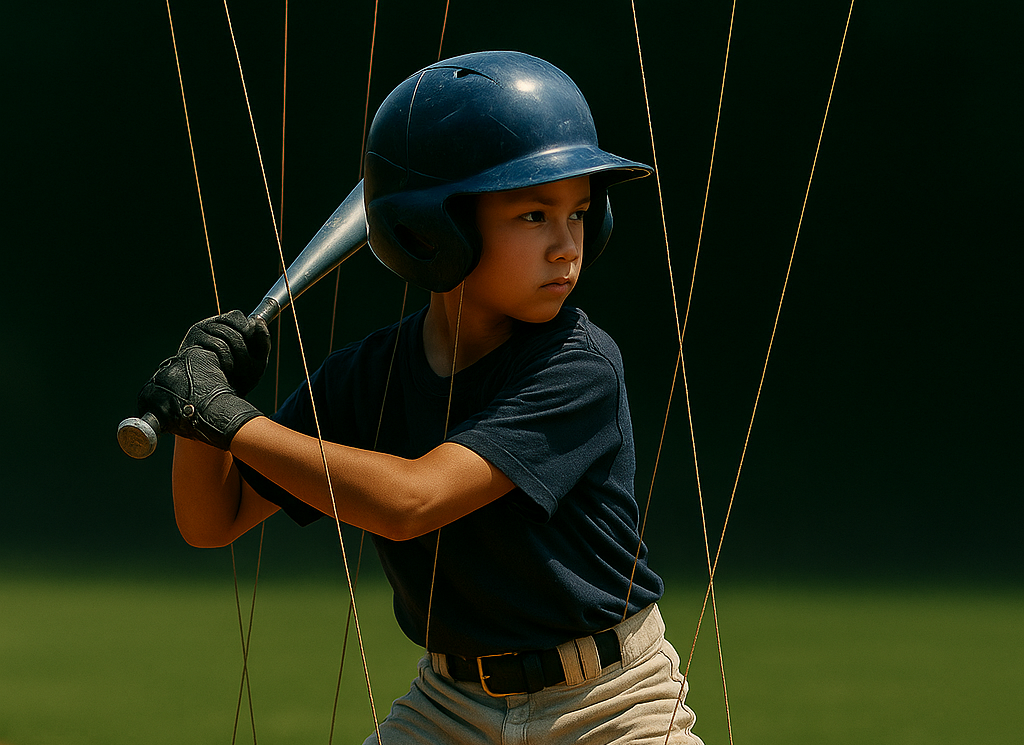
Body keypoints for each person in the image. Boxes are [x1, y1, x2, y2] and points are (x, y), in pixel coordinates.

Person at [139, 51, 704, 744]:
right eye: (533, 214)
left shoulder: (577, 362)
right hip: (450, 704)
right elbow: (211, 518)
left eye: (580, 213)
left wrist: (229, 419)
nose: (567, 246)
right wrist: (204, 413)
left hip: (610, 702)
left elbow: (412, 501)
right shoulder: (368, 375)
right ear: (433, 231)